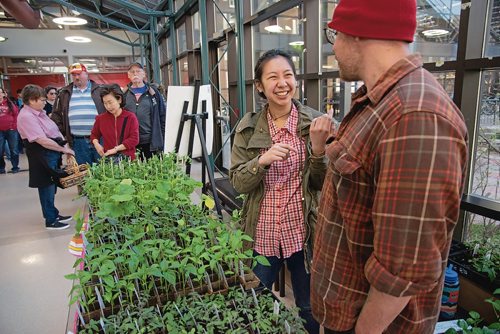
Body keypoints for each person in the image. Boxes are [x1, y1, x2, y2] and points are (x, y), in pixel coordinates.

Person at [311, 1, 469, 333]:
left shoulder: (416, 115)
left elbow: (405, 269)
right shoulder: (379, 103)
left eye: (334, 35)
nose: (334, 47)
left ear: (357, 34)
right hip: (345, 316)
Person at [230, 49, 334, 334]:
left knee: (309, 307)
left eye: (288, 75)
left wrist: (318, 149)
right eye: (273, 77)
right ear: (260, 86)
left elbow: (322, 184)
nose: (282, 83)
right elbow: (238, 182)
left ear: (296, 81)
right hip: (262, 232)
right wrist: (261, 161)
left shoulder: (315, 123)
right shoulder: (248, 128)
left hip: (303, 232)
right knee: (253, 301)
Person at [17, 84, 75, 230]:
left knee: (52, 185)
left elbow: (54, 131)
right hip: (41, 154)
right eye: (42, 99)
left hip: (51, 152)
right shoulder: (26, 116)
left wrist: (65, 146)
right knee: (46, 186)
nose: (44, 102)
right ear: (31, 100)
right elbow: (41, 140)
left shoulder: (40, 113)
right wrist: (63, 148)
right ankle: (50, 220)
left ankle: (53, 213)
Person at [51, 63, 106, 165]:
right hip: (78, 142)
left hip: (100, 140)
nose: (76, 77)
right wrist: (65, 138)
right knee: (84, 173)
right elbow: (56, 117)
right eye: (74, 75)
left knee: (104, 171)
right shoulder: (64, 93)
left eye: (79, 74)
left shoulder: (100, 90)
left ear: (86, 74)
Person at [123, 62, 166, 159]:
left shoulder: (154, 92)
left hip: (150, 141)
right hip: (131, 141)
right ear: (128, 75)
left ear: (143, 74)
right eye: (132, 72)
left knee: (152, 170)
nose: (135, 74)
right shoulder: (124, 94)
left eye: (138, 71)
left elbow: (162, 115)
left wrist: (162, 137)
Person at [91, 84, 139, 161]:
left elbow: (134, 139)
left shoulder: (130, 117)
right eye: (105, 103)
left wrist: (116, 149)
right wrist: (96, 144)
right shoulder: (100, 119)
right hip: (109, 159)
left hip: (128, 159)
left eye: (110, 102)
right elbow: (94, 135)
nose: (108, 106)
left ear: (119, 99)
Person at [0, 87, 20, 174]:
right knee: (0, 150)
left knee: (14, 150)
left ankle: (15, 167)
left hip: (11, 130)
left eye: (0, 92)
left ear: (4, 94)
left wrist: (14, 127)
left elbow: (16, 116)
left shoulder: (10, 104)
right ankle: (1, 168)